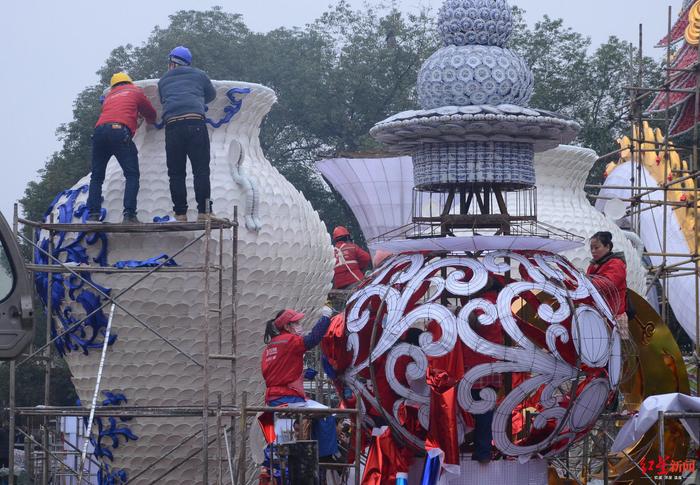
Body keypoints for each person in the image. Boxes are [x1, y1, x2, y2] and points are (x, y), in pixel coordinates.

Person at [261, 307, 339, 460]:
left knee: (282, 446)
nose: (299, 325)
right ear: (287, 326)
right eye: (296, 322)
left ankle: (279, 465)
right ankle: (324, 457)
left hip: (273, 399)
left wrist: (304, 373)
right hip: (289, 399)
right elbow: (313, 339)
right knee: (325, 415)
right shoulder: (290, 340)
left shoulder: (270, 347)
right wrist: (325, 317)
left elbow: (277, 372)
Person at [86, 72, 157, 224]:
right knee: (131, 174)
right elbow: (150, 112)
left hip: (99, 132)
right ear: (129, 82)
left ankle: (93, 215)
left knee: (97, 177)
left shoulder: (109, 97)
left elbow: (116, 112)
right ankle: (129, 215)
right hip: (118, 130)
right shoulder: (135, 91)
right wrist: (150, 120)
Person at [158, 46, 217, 222]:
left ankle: (180, 214)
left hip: (172, 126)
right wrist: (197, 99)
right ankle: (204, 213)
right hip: (195, 122)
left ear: (172, 63)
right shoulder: (199, 75)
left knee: (176, 173)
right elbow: (211, 95)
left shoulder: (163, 80)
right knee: (201, 171)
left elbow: (163, 100)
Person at [587, 231, 629, 338]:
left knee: (617, 351)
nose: (593, 251)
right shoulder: (593, 265)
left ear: (608, 247)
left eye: (597, 248)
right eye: (591, 248)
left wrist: (585, 281)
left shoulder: (616, 264)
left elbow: (608, 284)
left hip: (614, 315)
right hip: (599, 315)